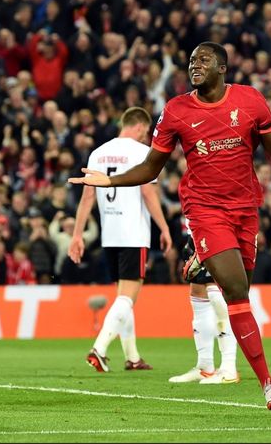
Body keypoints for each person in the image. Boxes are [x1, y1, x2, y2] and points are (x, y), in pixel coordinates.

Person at [69, 42, 271, 411]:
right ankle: (268, 385)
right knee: (235, 290)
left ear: (223, 68)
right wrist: (110, 181)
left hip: (245, 210)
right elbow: (152, 167)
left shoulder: (250, 101)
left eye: (204, 60)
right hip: (204, 209)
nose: (194, 65)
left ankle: (202, 261)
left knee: (239, 287)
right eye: (192, 60)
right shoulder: (176, 110)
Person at [68, 107, 173, 373]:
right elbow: (148, 193)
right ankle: (100, 349)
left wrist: (77, 234)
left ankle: (132, 357)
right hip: (133, 231)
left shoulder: (98, 152)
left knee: (121, 296)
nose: (146, 136)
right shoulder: (141, 153)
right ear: (139, 127)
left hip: (110, 233)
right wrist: (164, 228)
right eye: (146, 132)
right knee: (128, 297)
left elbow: (87, 197)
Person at [168, 233, 238, 385]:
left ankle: (229, 367)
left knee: (216, 294)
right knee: (198, 292)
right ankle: (205, 367)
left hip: (215, 229)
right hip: (195, 232)